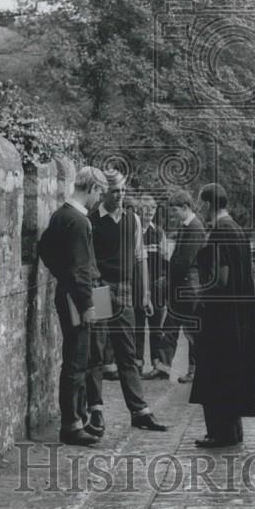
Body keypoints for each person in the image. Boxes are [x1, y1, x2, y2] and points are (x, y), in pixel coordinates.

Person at [87, 170, 167, 433]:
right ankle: (95, 410)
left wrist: (143, 294)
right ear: (103, 193)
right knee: (96, 352)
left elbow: (139, 259)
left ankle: (139, 411)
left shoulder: (132, 219)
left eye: (122, 191)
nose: (120, 196)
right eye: (114, 191)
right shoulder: (91, 221)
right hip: (99, 290)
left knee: (128, 354)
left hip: (124, 291)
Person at [37, 166, 108, 446]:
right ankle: (72, 424)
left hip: (74, 291)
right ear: (91, 188)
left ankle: (78, 418)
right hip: (79, 297)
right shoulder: (78, 220)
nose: (99, 200)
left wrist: (62, 274)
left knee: (85, 357)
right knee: (78, 361)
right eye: (99, 192)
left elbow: (45, 249)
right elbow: (80, 268)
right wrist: (88, 304)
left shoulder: (60, 215)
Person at [190, 183, 255, 447]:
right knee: (231, 370)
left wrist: (200, 300)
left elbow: (220, 278)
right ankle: (231, 430)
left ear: (208, 204)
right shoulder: (237, 230)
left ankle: (220, 432)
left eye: (201, 203)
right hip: (237, 314)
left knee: (217, 371)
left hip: (221, 316)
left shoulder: (221, 232)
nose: (199, 208)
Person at [144, 188, 206, 383]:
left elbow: (184, 261)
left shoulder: (195, 228)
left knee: (191, 332)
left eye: (175, 210)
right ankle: (163, 367)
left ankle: (195, 371)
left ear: (185, 207)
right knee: (170, 327)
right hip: (182, 286)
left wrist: (166, 277)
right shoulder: (188, 226)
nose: (173, 214)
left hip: (188, 288)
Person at [134, 193, 169, 376]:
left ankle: (157, 365)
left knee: (157, 329)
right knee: (138, 328)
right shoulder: (134, 231)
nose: (149, 212)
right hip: (138, 287)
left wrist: (164, 282)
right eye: (145, 209)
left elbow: (166, 260)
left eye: (152, 209)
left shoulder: (159, 232)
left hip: (157, 288)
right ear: (138, 211)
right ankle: (138, 364)